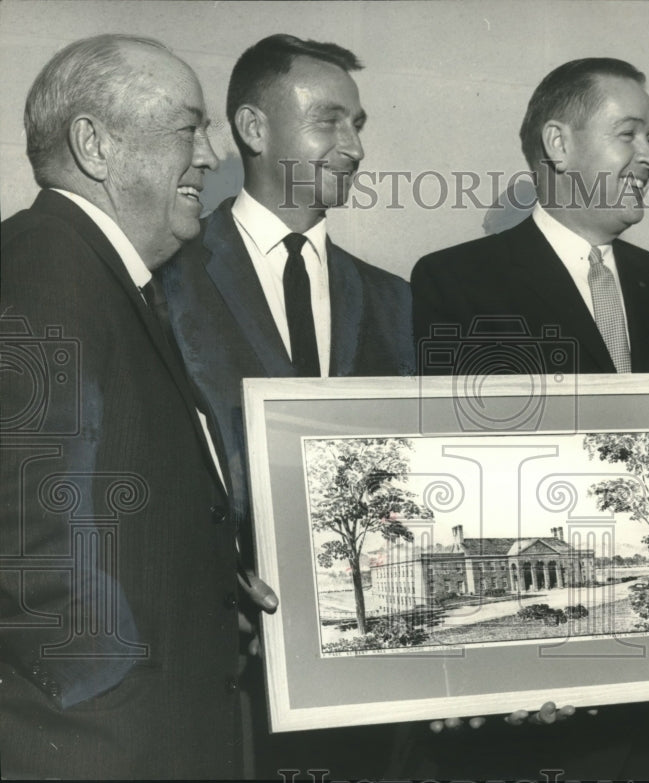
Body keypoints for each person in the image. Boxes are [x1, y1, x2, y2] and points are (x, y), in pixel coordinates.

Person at [409, 57, 649, 779]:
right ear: (558, 144)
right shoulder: (457, 280)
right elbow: (450, 470)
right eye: (629, 133)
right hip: (543, 708)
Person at [158, 34, 415, 779]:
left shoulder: (395, 300)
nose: (354, 147)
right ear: (253, 128)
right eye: (329, 120)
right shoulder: (165, 280)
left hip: (369, 692)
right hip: (225, 680)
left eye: (359, 124)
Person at [0, 34, 248, 778]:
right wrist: (114, 712)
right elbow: (27, 531)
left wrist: (209, 587)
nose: (208, 155)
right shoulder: (47, 269)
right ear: (95, 145)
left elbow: (101, 498)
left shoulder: (93, 270)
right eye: (188, 127)